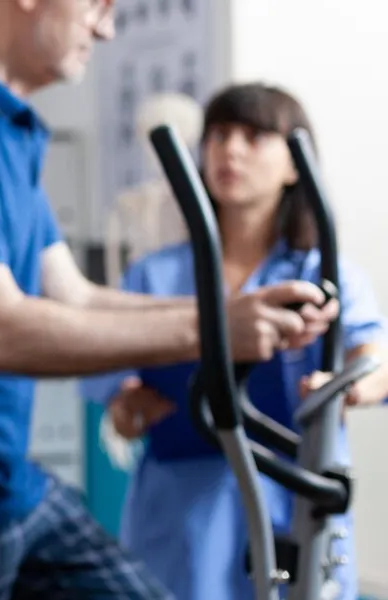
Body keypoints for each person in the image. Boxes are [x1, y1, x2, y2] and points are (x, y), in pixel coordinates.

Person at [0, 0, 341, 597]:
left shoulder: (2, 123)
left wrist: (233, 315)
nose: (106, 29)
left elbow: (74, 296)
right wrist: (215, 331)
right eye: (98, 5)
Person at [79, 83, 388, 600]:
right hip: (183, 510)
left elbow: (374, 358)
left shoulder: (324, 272)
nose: (230, 150)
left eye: (254, 136)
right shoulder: (154, 274)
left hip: (294, 496)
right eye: (219, 135)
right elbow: (112, 386)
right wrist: (128, 407)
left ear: (295, 164)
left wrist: (345, 387)